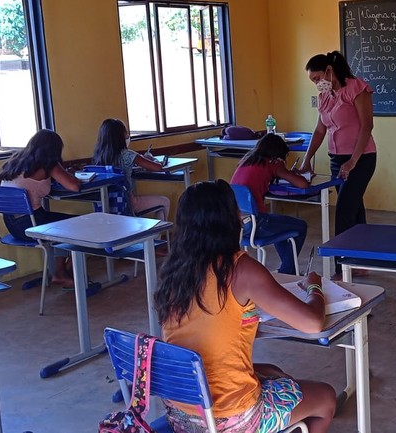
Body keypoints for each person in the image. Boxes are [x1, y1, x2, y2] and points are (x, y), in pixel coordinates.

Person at [154, 180, 336, 433]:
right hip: (233, 418)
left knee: (273, 371)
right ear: (229, 220)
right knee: (326, 398)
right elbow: (313, 322)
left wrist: (258, 369)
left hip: (182, 412)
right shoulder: (239, 268)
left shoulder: (174, 273)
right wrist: (314, 287)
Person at [299, 51, 377, 275]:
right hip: (337, 160)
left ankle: (342, 268)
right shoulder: (325, 96)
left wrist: (353, 161)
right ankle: (360, 263)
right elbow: (320, 130)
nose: (317, 84)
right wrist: (307, 160)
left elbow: (367, 126)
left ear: (329, 71)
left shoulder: (356, 88)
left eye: (317, 78)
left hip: (361, 158)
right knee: (354, 208)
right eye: (313, 81)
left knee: (343, 210)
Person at [0, 129, 80, 287]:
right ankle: (62, 272)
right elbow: (74, 186)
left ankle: (63, 271)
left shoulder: (15, 162)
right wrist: (68, 174)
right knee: (77, 225)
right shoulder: (49, 165)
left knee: (64, 224)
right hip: (33, 226)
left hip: (12, 226)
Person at [229, 134, 310, 275]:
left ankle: (288, 270)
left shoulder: (246, 161)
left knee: (280, 227)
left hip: (237, 225)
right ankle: (287, 271)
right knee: (301, 226)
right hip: (256, 223)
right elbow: (303, 184)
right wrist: (290, 173)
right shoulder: (273, 163)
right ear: (277, 154)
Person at [91, 118, 171, 218]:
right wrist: (151, 158)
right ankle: (159, 229)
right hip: (127, 202)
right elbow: (157, 168)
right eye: (126, 134)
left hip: (105, 205)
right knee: (164, 201)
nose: (127, 136)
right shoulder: (127, 154)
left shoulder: (98, 156)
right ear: (120, 136)